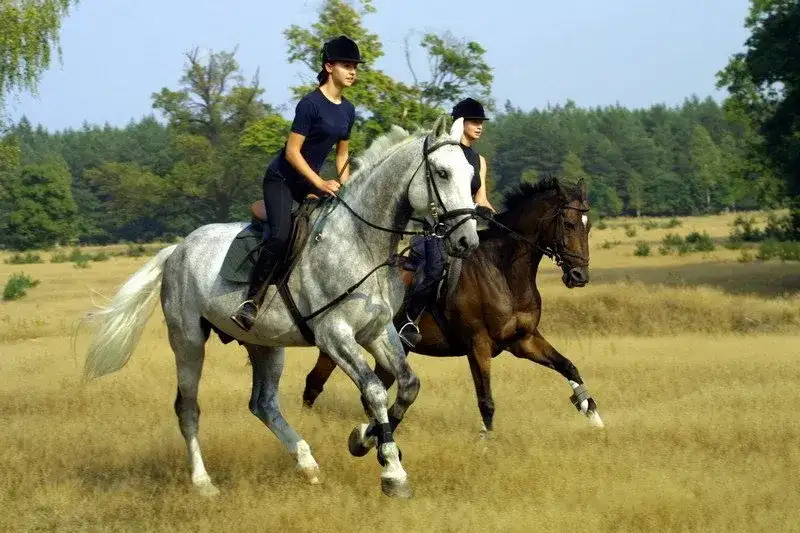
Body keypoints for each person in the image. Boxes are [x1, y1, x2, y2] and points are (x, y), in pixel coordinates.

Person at [231, 35, 362, 332]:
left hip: (310, 184)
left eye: (355, 66)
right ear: (329, 66)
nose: (352, 71)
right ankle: (251, 301)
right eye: (346, 65)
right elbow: (291, 153)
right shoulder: (310, 104)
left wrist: (346, 185)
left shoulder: (348, 110)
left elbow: (342, 156)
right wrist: (320, 182)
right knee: (279, 236)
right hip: (282, 180)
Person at [400, 97, 495, 347]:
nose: (479, 126)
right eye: (474, 121)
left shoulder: (479, 161)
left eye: (481, 122)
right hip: (434, 229)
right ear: (460, 123)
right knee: (434, 268)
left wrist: (490, 213)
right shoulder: (445, 154)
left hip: (464, 228)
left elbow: (481, 197)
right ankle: (409, 319)